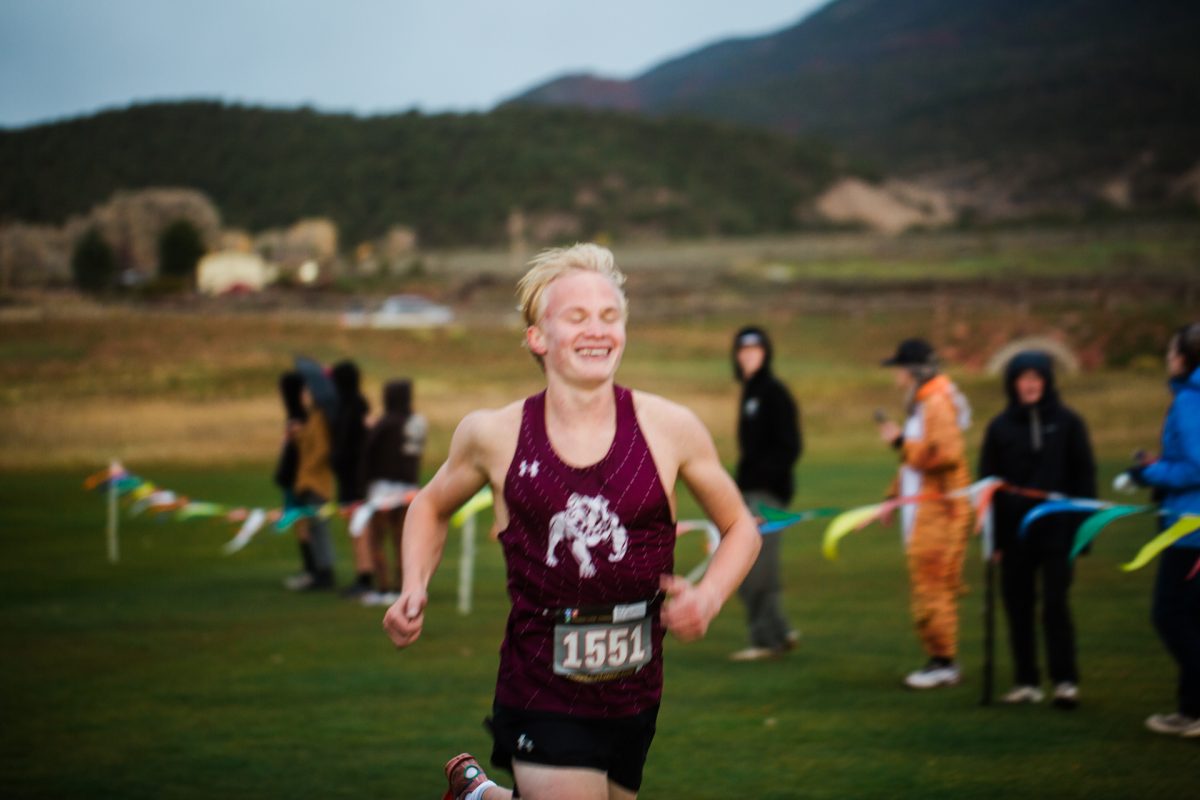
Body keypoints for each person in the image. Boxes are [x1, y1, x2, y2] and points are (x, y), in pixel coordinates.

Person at [382, 243, 761, 800]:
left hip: (635, 687)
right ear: (538, 336)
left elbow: (741, 527)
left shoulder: (670, 427)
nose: (598, 329)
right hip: (538, 680)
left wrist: (709, 597)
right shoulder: (495, 434)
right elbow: (429, 506)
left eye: (610, 316)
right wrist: (413, 586)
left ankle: (481, 797)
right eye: (577, 316)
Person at [978, 350, 1097, 708]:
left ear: (1046, 382)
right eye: (1023, 379)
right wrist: (994, 539)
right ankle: (1026, 681)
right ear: (1013, 383)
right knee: (1018, 606)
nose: (1030, 385)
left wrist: (1084, 532)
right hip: (1015, 534)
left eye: (1036, 379)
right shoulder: (999, 427)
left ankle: (1064, 681)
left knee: (1056, 605)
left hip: (1058, 531)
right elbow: (989, 487)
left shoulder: (1069, 423)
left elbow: (1084, 478)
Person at [876, 337, 972, 689]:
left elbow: (945, 455)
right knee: (925, 585)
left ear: (913, 370)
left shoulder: (935, 402)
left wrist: (901, 443)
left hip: (940, 510)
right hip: (922, 509)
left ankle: (944, 661)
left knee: (933, 587)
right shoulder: (922, 402)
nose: (897, 375)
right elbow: (916, 465)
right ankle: (937, 658)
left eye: (900, 368)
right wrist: (893, 497)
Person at [1127, 323, 1200, 738]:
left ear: (1186, 357)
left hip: (1190, 532)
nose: (1168, 357)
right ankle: (1190, 711)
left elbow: (1196, 466)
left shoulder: (1191, 400)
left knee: (1170, 616)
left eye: (1172, 350)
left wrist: (1150, 471)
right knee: (1192, 618)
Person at [728, 326, 803, 661]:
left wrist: (763, 486)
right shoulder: (751, 392)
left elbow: (790, 446)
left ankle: (766, 640)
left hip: (766, 494)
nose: (748, 356)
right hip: (748, 491)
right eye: (743, 351)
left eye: (755, 350)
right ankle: (779, 631)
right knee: (748, 564)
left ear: (765, 353)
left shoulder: (773, 392)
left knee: (756, 567)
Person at [359, 379, 426, 606]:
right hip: (408, 488)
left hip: (382, 490)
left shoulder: (386, 423)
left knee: (376, 539)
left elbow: (368, 453)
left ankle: (383, 588)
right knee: (402, 541)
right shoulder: (416, 422)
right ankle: (402, 587)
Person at [331, 359, 373, 598]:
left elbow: (348, 444)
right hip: (351, 475)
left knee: (358, 526)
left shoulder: (352, 406)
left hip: (354, 477)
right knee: (355, 526)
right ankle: (363, 572)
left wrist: (335, 457)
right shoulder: (355, 404)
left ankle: (364, 574)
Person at [290, 378, 338, 591]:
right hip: (309, 481)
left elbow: (321, 450)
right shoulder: (313, 418)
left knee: (319, 528)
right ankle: (320, 570)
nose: (303, 397)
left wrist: (307, 472)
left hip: (316, 482)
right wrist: (298, 435)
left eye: (307, 392)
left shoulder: (319, 419)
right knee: (313, 528)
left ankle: (325, 572)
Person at [275, 370, 316, 590]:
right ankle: (310, 569)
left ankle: (312, 570)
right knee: (301, 522)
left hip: (297, 477)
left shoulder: (298, 418)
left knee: (301, 523)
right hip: (296, 476)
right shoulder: (301, 415)